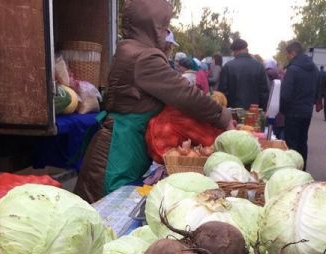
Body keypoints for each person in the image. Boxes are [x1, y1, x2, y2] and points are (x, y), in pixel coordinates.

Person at [74, 0, 232, 203]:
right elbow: (185, 94)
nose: (166, 34)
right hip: (118, 150)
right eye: (164, 28)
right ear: (152, 27)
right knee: (107, 206)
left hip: (122, 141)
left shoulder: (132, 49)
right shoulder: (144, 57)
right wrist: (222, 117)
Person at [280, 40, 319, 167]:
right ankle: (302, 168)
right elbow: (317, 88)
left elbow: (286, 94)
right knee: (303, 142)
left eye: (288, 54)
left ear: (293, 53)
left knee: (292, 144)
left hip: (292, 112)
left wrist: (283, 110)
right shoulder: (313, 68)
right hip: (306, 112)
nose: (287, 57)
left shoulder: (293, 69)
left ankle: (292, 170)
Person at [218, 38, 270, 109]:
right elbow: (264, 92)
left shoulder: (228, 67)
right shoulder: (259, 66)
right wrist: (262, 109)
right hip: (254, 111)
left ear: (234, 51)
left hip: (233, 112)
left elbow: (222, 92)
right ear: (246, 49)